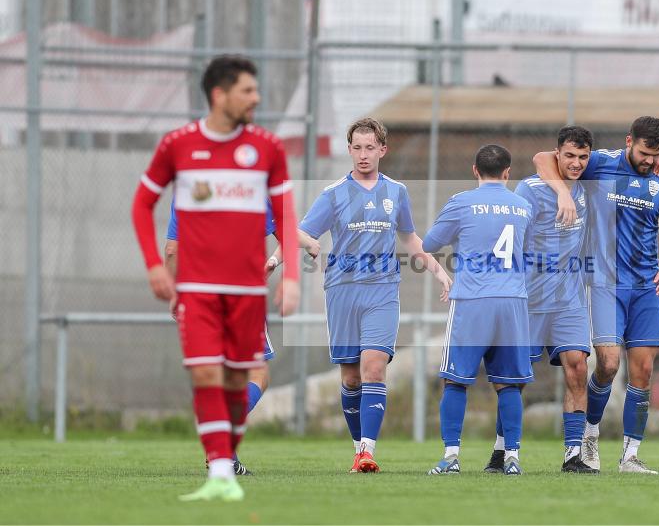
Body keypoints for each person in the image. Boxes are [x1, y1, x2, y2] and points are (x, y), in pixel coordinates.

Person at [131, 55, 299, 501]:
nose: (256, 98)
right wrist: (155, 267)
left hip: (247, 290)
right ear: (219, 94)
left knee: (237, 380)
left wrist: (292, 278)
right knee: (206, 375)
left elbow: (285, 216)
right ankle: (221, 473)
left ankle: (223, 455)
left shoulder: (267, 148)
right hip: (198, 291)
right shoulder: (178, 145)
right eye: (247, 90)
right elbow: (141, 204)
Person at [298, 117, 451, 473]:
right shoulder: (333, 193)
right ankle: (357, 449)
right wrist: (281, 256)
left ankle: (367, 451)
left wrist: (439, 270)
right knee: (351, 378)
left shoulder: (396, 192)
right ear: (349, 150)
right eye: (357, 148)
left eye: (370, 148)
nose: (363, 155)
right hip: (341, 291)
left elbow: (410, 238)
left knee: (374, 369)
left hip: (382, 291)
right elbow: (302, 232)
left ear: (383, 150)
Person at [533, 116, 659, 475]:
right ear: (630, 141)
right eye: (644, 152)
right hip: (605, 282)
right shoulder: (602, 162)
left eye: (655, 153)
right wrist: (563, 192)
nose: (649, 160)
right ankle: (590, 435)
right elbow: (541, 158)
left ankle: (630, 456)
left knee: (643, 370)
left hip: (646, 285)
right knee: (609, 365)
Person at [165, 199, 318, 475]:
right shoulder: (248, 183)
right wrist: (308, 243)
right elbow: (283, 229)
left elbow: (172, 249)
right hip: (240, 289)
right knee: (256, 375)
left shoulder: (187, 185)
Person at [484, 126, 596, 474]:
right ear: (557, 154)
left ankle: (573, 455)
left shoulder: (589, 187)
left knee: (578, 366)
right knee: (515, 379)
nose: (576, 163)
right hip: (528, 300)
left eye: (583, 157)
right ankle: (502, 451)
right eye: (570, 156)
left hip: (569, 300)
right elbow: (510, 239)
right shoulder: (529, 190)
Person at [423, 144, 533, 476]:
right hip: (513, 302)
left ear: (475, 170)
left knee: (455, 381)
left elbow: (428, 245)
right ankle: (512, 458)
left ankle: (451, 457)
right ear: (507, 173)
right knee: (509, 384)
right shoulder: (523, 206)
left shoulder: (461, 203)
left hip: (473, 300)